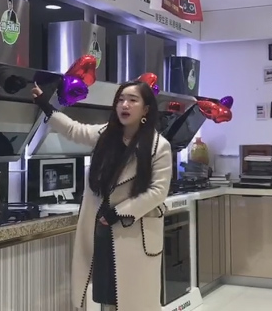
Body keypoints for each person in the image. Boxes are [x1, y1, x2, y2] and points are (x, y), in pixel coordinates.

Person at [32, 80, 172, 311]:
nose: (124, 105)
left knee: (135, 298)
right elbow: (73, 130)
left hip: (133, 230)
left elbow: (158, 192)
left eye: (132, 100)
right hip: (103, 230)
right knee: (106, 294)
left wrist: (118, 213)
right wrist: (45, 105)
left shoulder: (159, 146)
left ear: (146, 109)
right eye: (120, 100)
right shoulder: (105, 135)